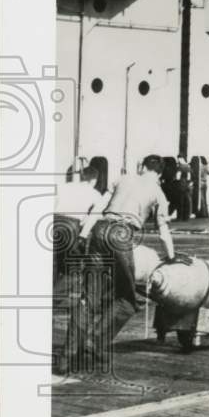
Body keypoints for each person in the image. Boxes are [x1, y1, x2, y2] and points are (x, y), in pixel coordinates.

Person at [60, 155, 177, 374]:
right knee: (127, 300)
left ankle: (67, 357)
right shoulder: (158, 192)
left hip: (99, 230)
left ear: (142, 167)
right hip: (121, 235)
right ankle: (95, 341)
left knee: (88, 298)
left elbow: (100, 206)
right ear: (160, 173)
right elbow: (163, 234)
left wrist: (84, 235)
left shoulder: (123, 179)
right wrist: (171, 258)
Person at [174, 155, 192, 221]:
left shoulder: (180, 167)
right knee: (186, 202)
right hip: (187, 185)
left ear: (180, 159)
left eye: (178, 159)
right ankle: (186, 217)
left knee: (180, 202)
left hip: (181, 185)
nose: (178, 160)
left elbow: (178, 177)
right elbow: (189, 177)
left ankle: (179, 217)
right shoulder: (188, 166)